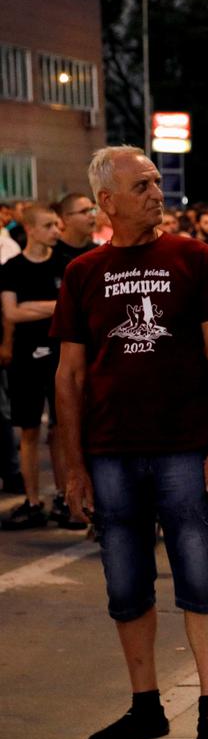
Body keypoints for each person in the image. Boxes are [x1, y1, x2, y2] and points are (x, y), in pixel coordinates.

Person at [56, 146, 208, 739]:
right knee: (126, 584)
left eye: (158, 183)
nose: (157, 194)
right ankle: (146, 707)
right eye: (142, 186)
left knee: (201, 576)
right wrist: (74, 467)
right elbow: (70, 377)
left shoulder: (194, 257)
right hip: (110, 452)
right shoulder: (83, 271)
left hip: (185, 448)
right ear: (107, 201)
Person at [0, 204, 78, 529]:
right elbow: (12, 314)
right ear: (30, 229)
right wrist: (53, 308)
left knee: (59, 432)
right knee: (29, 430)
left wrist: (34, 306)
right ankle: (32, 501)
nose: (56, 231)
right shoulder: (12, 268)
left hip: (58, 357)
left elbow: (72, 308)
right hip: (24, 358)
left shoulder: (65, 264)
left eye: (57, 225)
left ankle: (64, 497)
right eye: (48, 226)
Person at [55, 192, 100, 265]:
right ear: (66, 218)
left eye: (92, 210)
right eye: (84, 211)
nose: (92, 216)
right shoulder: (52, 253)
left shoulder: (96, 251)